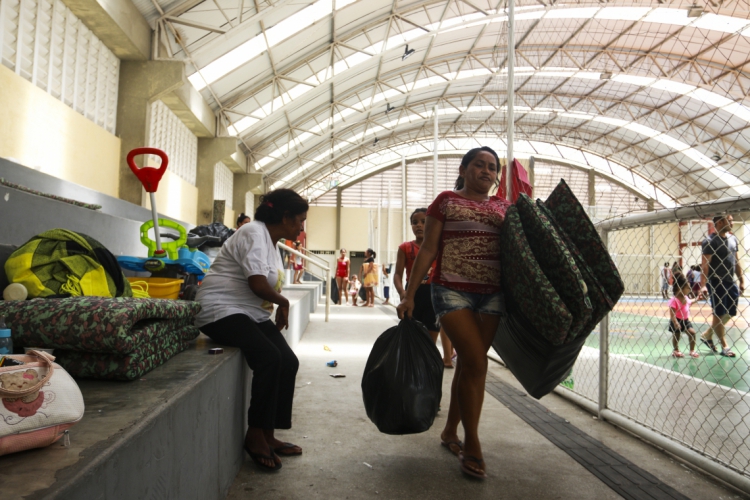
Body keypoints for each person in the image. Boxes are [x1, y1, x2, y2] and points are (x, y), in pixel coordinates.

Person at [397, 146, 510, 480]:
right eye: (479, 165)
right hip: (450, 289)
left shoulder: (504, 207)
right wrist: (410, 294)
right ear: (464, 168)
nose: (487, 171)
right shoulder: (445, 200)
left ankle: (449, 433)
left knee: (468, 365)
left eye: (492, 167)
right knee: (477, 362)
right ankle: (473, 444)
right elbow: (429, 247)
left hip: (492, 295)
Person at [195, 189, 308, 472]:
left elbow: (262, 288)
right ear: (285, 217)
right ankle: (255, 435)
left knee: (288, 361)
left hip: (248, 313)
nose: (302, 228)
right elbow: (258, 284)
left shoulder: (271, 241)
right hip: (219, 309)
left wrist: (276, 304)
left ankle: (269, 433)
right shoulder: (254, 233)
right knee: (269, 358)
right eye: (300, 221)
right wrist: (282, 303)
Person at [394, 208, 454, 369]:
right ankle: (410, 367)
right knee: (412, 335)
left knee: (430, 337)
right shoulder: (405, 248)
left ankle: (425, 369)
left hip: (433, 295)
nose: (419, 225)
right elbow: (398, 274)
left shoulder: (440, 248)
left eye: (423, 222)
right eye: (415, 222)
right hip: (412, 295)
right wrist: (403, 293)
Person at [699, 215, 745, 357]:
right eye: (729, 220)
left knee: (730, 313)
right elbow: (705, 265)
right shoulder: (709, 241)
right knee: (718, 314)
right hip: (716, 281)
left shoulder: (732, 239)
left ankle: (708, 334)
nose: (732, 222)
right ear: (720, 222)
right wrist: (703, 285)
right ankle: (725, 346)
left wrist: (741, 280)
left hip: (730, 281)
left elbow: (736, 261)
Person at [668, 276, 699, 359]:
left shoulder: (686, 297)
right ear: (679, 288)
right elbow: (672, 314)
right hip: (676, 320)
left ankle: (692, 350)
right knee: (677, 336)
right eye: (687, 288)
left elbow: (690, 302)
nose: (689, 289)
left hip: (685, 321)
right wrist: (675, 322)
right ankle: (676, 350)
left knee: (692, 333)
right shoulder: (674, 300)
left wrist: (697, 299)